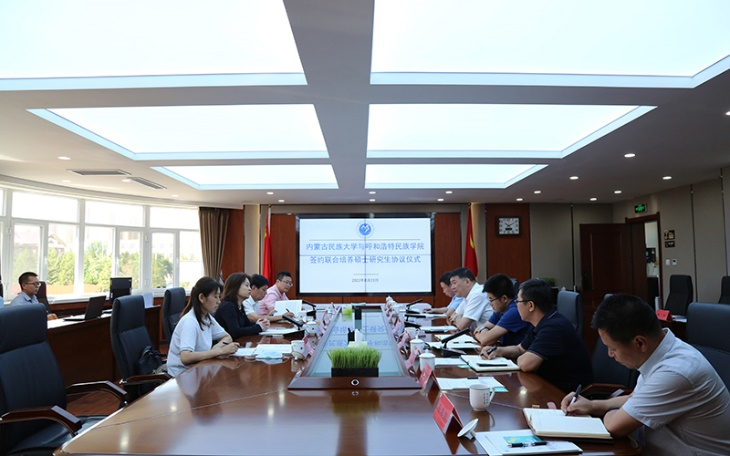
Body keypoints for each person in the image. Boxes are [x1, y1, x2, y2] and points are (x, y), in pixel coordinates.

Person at [561, 294, 730, 455]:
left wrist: (612, 413)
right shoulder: (661, 350)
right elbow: (635, 398)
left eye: (613, 348)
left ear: (640, 342)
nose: (610, 354)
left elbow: (615, 426)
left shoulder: (675, 372)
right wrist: (592, 405)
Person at [483, 278, 592, 392]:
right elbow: (520, 349)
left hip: (567, 393)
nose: (516, 305)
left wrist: (522, 357)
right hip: (547, 385)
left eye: (518, 301)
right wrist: (497, 351)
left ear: (531, 306)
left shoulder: (554, 327)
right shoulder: (538, 322)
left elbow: (526, 364)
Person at [166, 277, 239, 377]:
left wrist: (215, 349)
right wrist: (220, 351)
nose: (219, 301)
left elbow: (227, 337)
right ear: (201, 298)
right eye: (215, 297)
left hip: (200, 371)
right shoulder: (190, 322)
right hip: (182, 376)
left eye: (219, 297)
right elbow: (186, 357)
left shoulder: (206, 317)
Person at [475, 274, 529, 347]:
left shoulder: (514, 311)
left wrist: (483, 332)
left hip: (518, 352)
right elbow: (479, 330)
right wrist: (485, 332)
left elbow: (485, 340)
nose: (490, 303)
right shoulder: (500, 309)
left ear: (504, 299)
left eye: (491, 299)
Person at [214, 273, 270, 339]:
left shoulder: (239, 305)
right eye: (247, 285)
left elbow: (247, 324)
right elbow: (235, 332)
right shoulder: (228, 306)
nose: (250, 289)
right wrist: (259, 327)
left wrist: (261, 323)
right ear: (236, 286)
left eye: (249, 286)